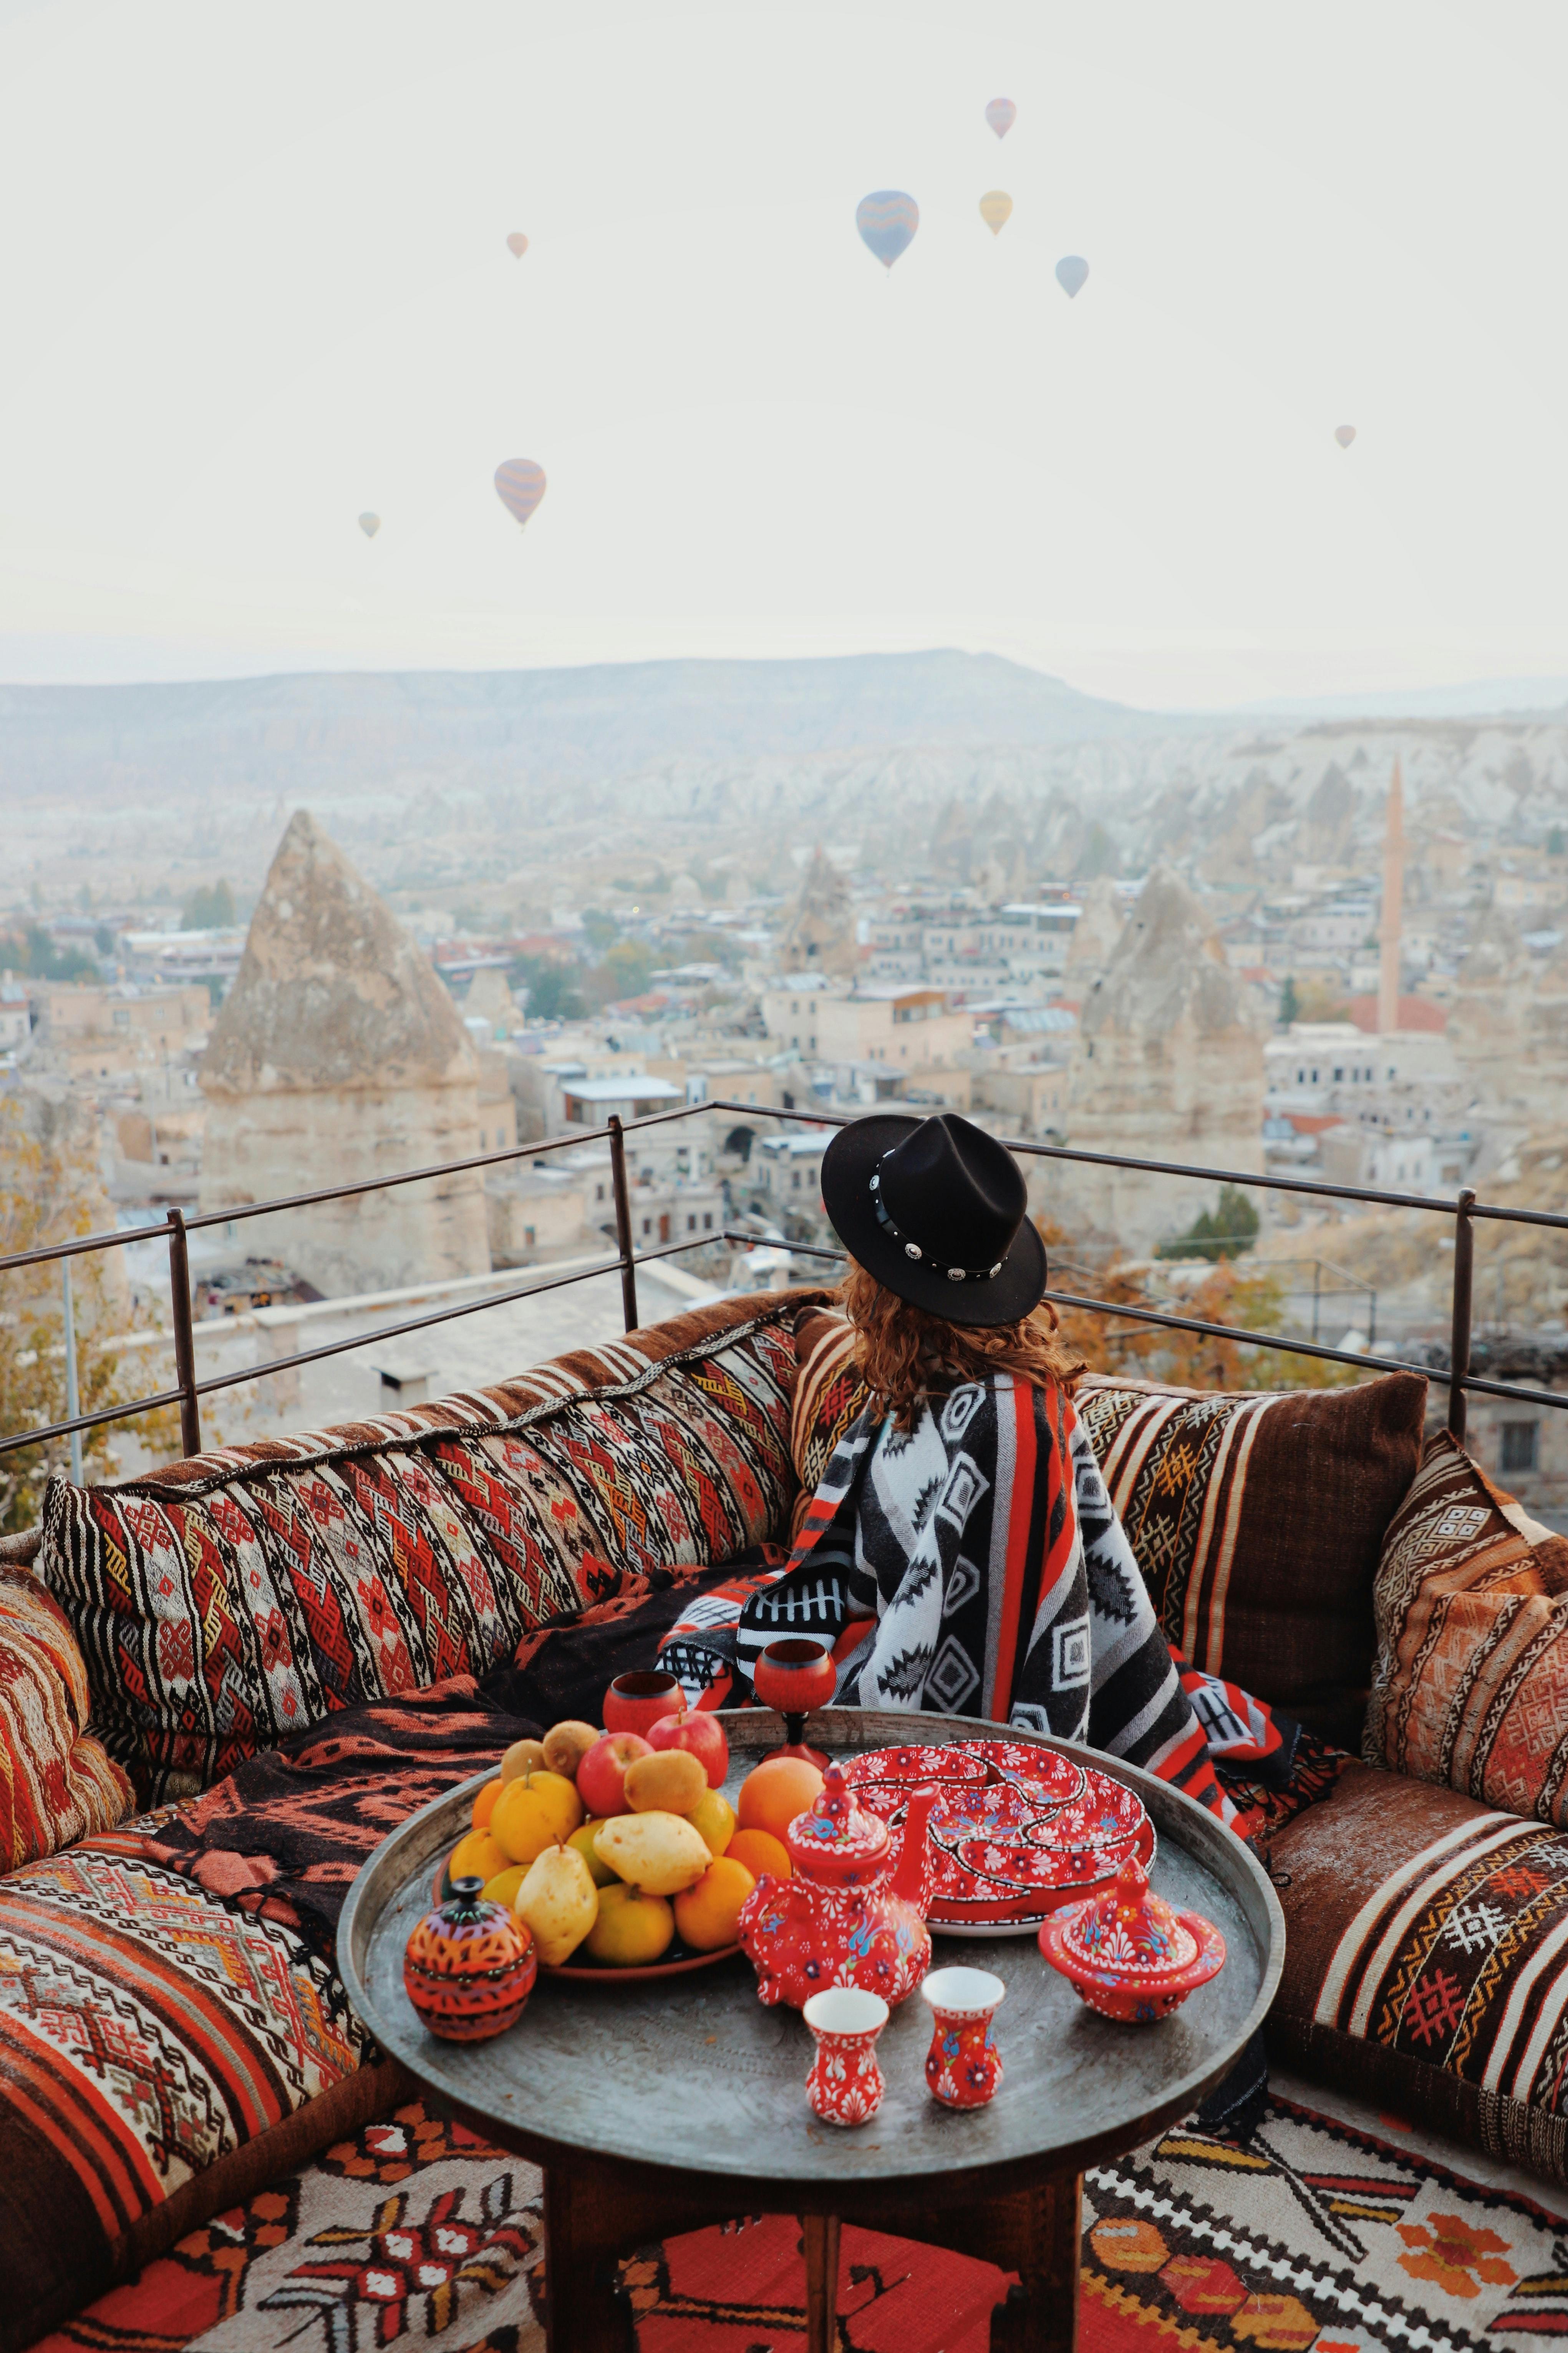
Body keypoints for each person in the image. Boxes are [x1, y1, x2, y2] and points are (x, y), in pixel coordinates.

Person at [668, 1111, 1240, 1823]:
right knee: (695, 1641)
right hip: (875, 1625)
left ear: (886, 1285)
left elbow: (998, 1658)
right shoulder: (927, 1380)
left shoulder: (1010, 1423)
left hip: (943, 1702)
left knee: (707, 1702)